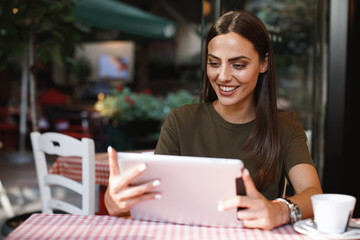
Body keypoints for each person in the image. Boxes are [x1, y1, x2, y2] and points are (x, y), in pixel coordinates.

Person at [104, 10, 322, 230]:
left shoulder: (285, 125)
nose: (223, 76)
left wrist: (279, 210)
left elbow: (314, 193)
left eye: (238, 65)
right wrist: (115, 202)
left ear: (264, 63)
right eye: (214, 63)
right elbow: (151, 200)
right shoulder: (181, 121)